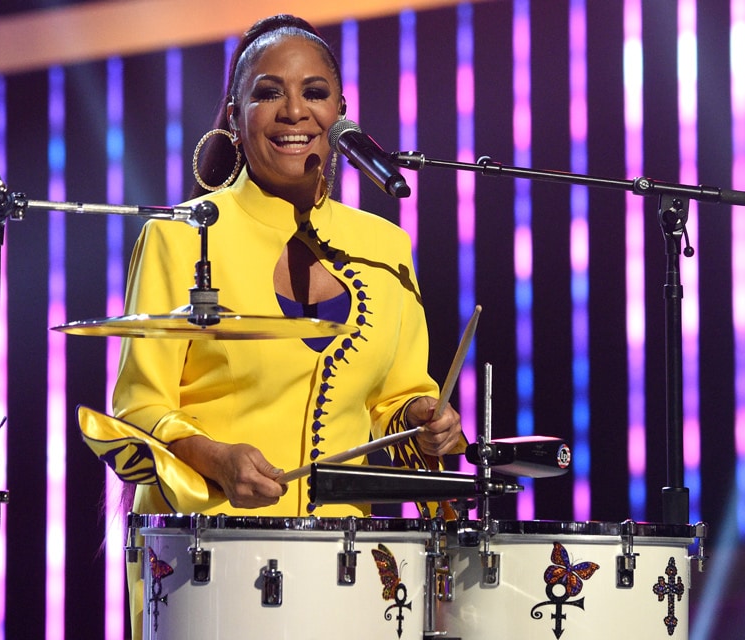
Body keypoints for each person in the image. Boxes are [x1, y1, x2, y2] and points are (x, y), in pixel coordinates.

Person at [79, 13, 464, 636]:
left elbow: (398, 400)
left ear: (342, 113)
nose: (293, 112)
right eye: (267, 92)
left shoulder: (385, 244)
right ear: (233, 115)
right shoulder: (181, 233)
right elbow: (138, 409)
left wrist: (427, 424)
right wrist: (216, 458)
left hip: (349, 565)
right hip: (209, 561)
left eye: (314, 93)